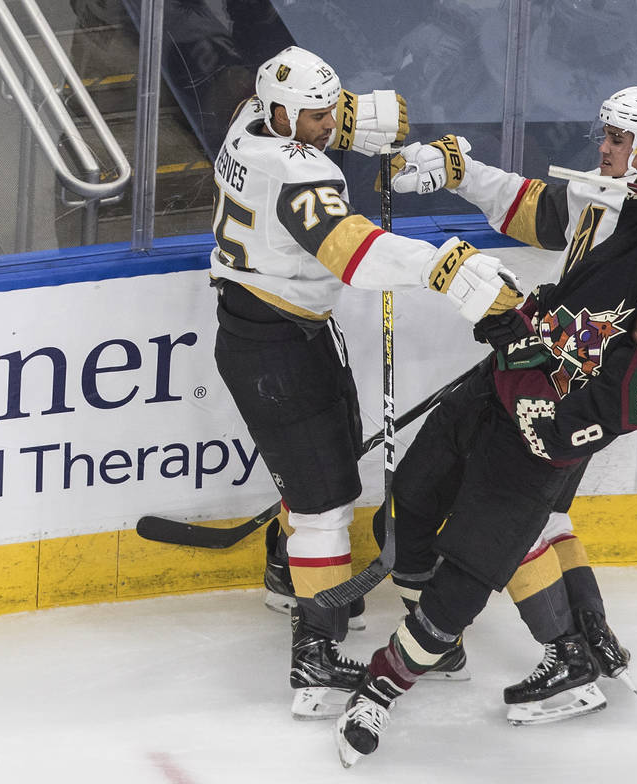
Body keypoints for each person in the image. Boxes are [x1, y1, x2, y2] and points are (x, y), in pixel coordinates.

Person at [334, 139, 637, 766]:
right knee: (406, 508)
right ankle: (448, 640)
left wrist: (516, 340)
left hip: (530, 453)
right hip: (489, 391)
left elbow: (550, 430)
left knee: (468, 581)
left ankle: (381, 686)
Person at [208, 45, 522, 721]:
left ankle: (284, 577)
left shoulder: (246, 122)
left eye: (329, 112)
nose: (327, 125)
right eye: (315, 116)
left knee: (319, 475)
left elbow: (304, 123)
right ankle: (314, 658)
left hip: (273, 330)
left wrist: (350, 117)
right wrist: (441, 267)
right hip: (276, 350)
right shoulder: (294, 174)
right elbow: (353, 248)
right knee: (324, 503)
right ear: (281, 114)